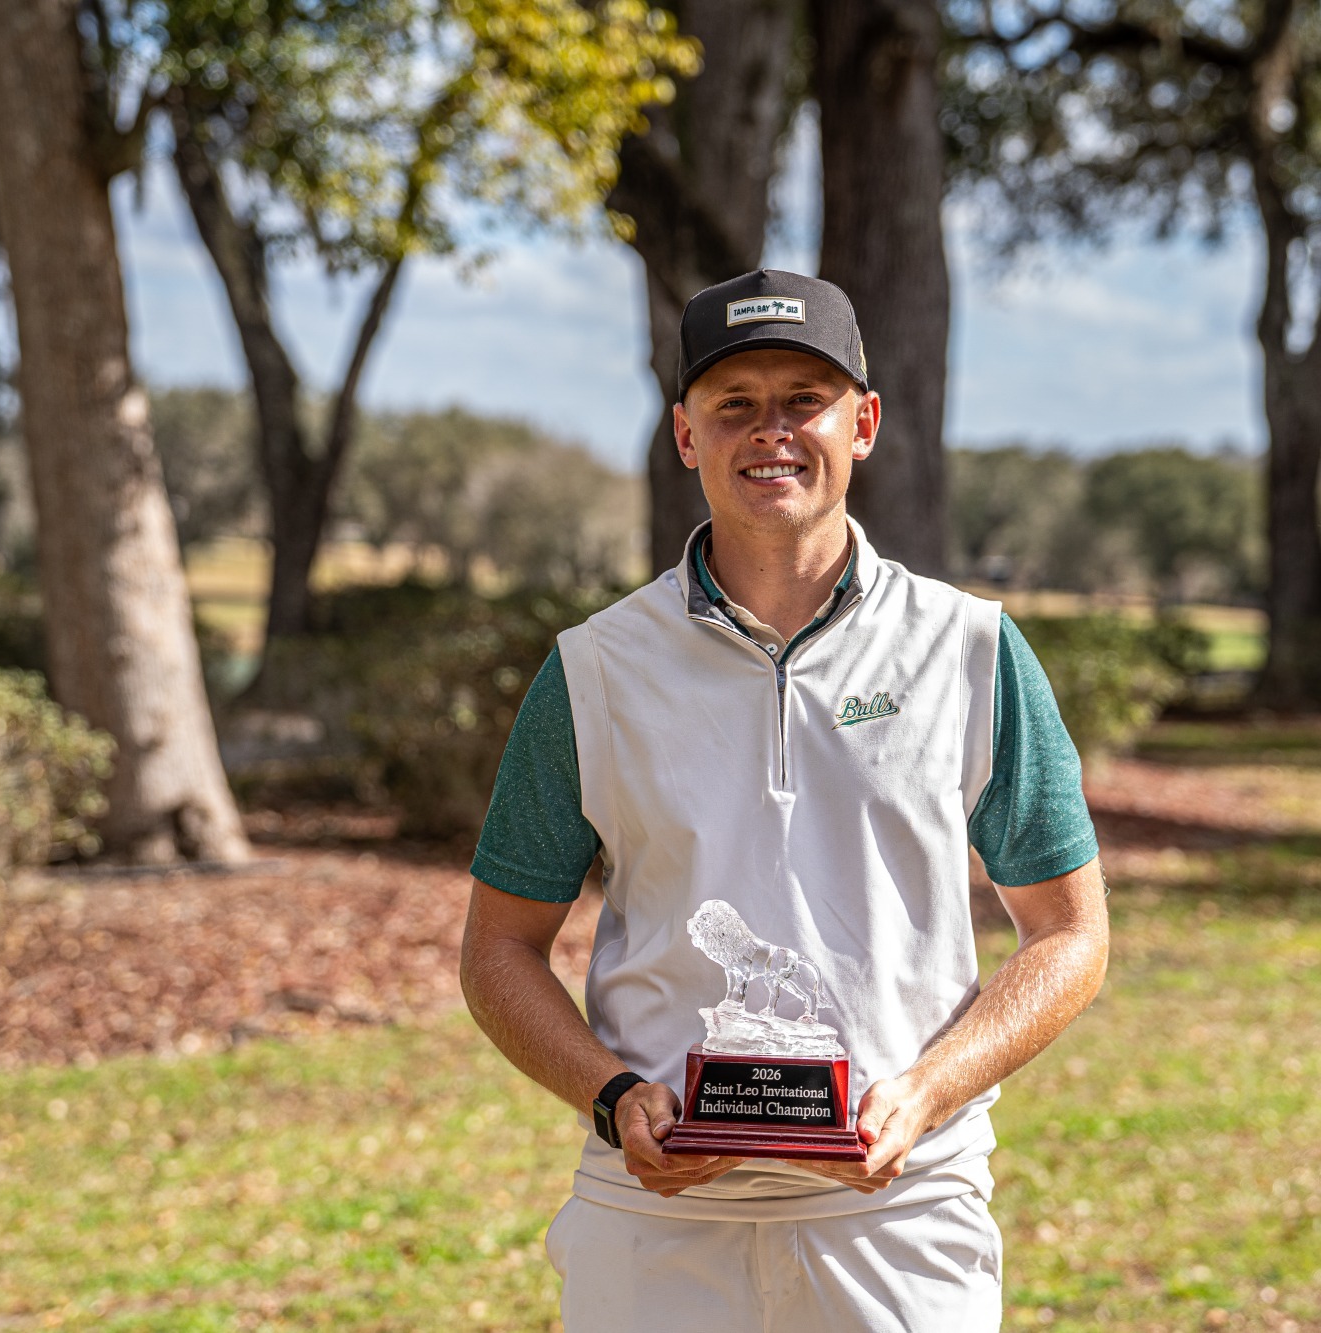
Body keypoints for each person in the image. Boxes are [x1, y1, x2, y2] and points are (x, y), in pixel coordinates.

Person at [458, 269, 1109, 1331]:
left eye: (803, 399)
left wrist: (929, 1090)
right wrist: (613, 1095)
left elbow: (1069, 933)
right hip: (654, 1220)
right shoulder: (593, 669)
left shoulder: (970, 650)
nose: (771, 431)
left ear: (863, 421)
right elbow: (497, 952)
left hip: (899, 1214)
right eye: (734, 404)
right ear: (684, 434)